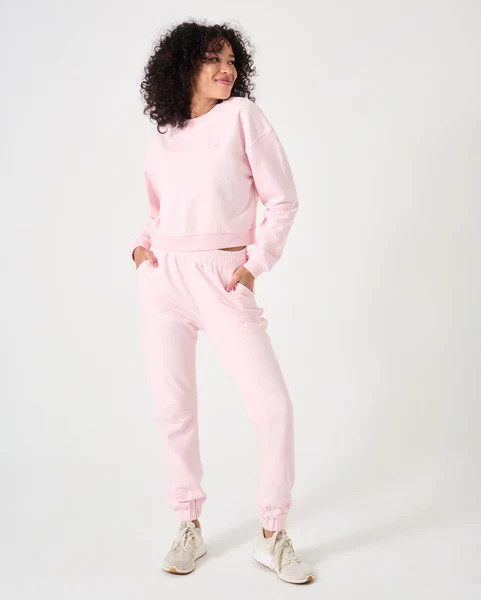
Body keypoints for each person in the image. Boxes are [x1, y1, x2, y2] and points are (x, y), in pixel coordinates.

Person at [129, 21, 313, 584]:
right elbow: (156, 210)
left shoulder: (242, 117)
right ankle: (188, 523)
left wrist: (255, 265)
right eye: (213, 59)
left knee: (272, 407)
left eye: (231, 60)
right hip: (164, 279)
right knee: (173, 407)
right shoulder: (165, 134)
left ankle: (272, 533)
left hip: (223, 277)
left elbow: (283, 200)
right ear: (184, 65)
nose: (226, 69)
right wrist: (140, 249)